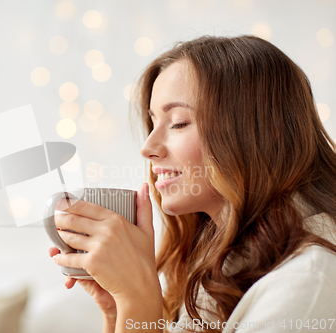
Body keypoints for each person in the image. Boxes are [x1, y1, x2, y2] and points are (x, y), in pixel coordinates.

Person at [48, 35, 336, 333]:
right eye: (153, 122)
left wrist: (138, 300)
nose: (148, 147)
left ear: (266, 130)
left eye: (179, 123)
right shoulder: (216, 268)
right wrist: (119, 310)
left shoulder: (308, 281)